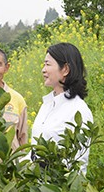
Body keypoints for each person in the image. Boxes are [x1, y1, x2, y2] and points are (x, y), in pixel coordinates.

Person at [30, 42, 94, 173]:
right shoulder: (47, 105)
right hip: (36, 187)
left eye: (48, 64)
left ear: (65, 69)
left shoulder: (79, 111)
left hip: (58, 189)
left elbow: (79, 164)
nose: (43, 69)